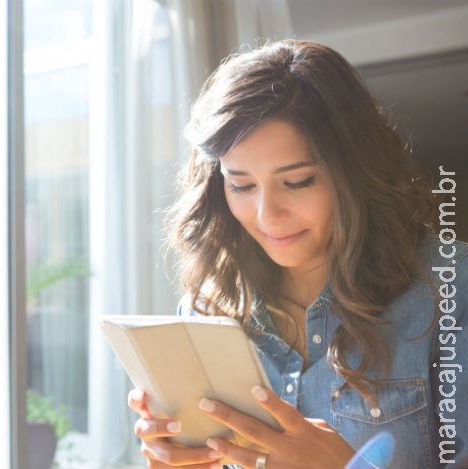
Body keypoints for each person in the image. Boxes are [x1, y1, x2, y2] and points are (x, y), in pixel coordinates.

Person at [127, 39, 467, 469]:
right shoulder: (205, 309)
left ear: (356, 172)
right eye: (242, 185)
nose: (267, 215)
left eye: (298, 181)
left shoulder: (450, 286)